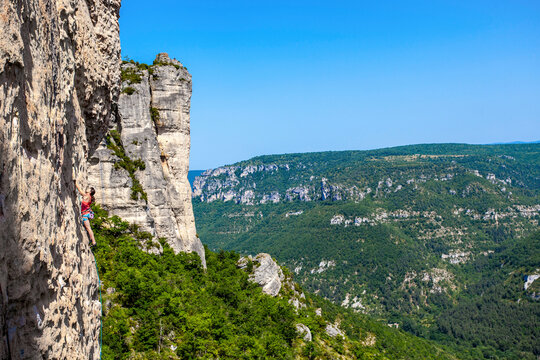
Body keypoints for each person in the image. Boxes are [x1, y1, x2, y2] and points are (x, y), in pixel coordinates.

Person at [75, 179, 96, 247]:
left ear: (90, 192)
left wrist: (75, 183)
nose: (87, 189)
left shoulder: (87, 196)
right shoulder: (89, 197)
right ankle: (92, 240)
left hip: (85, 215)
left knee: (88, 228)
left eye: (89, 189)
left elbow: (80, 190)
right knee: (88, 228)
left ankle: (93, 242)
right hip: (86, 213)